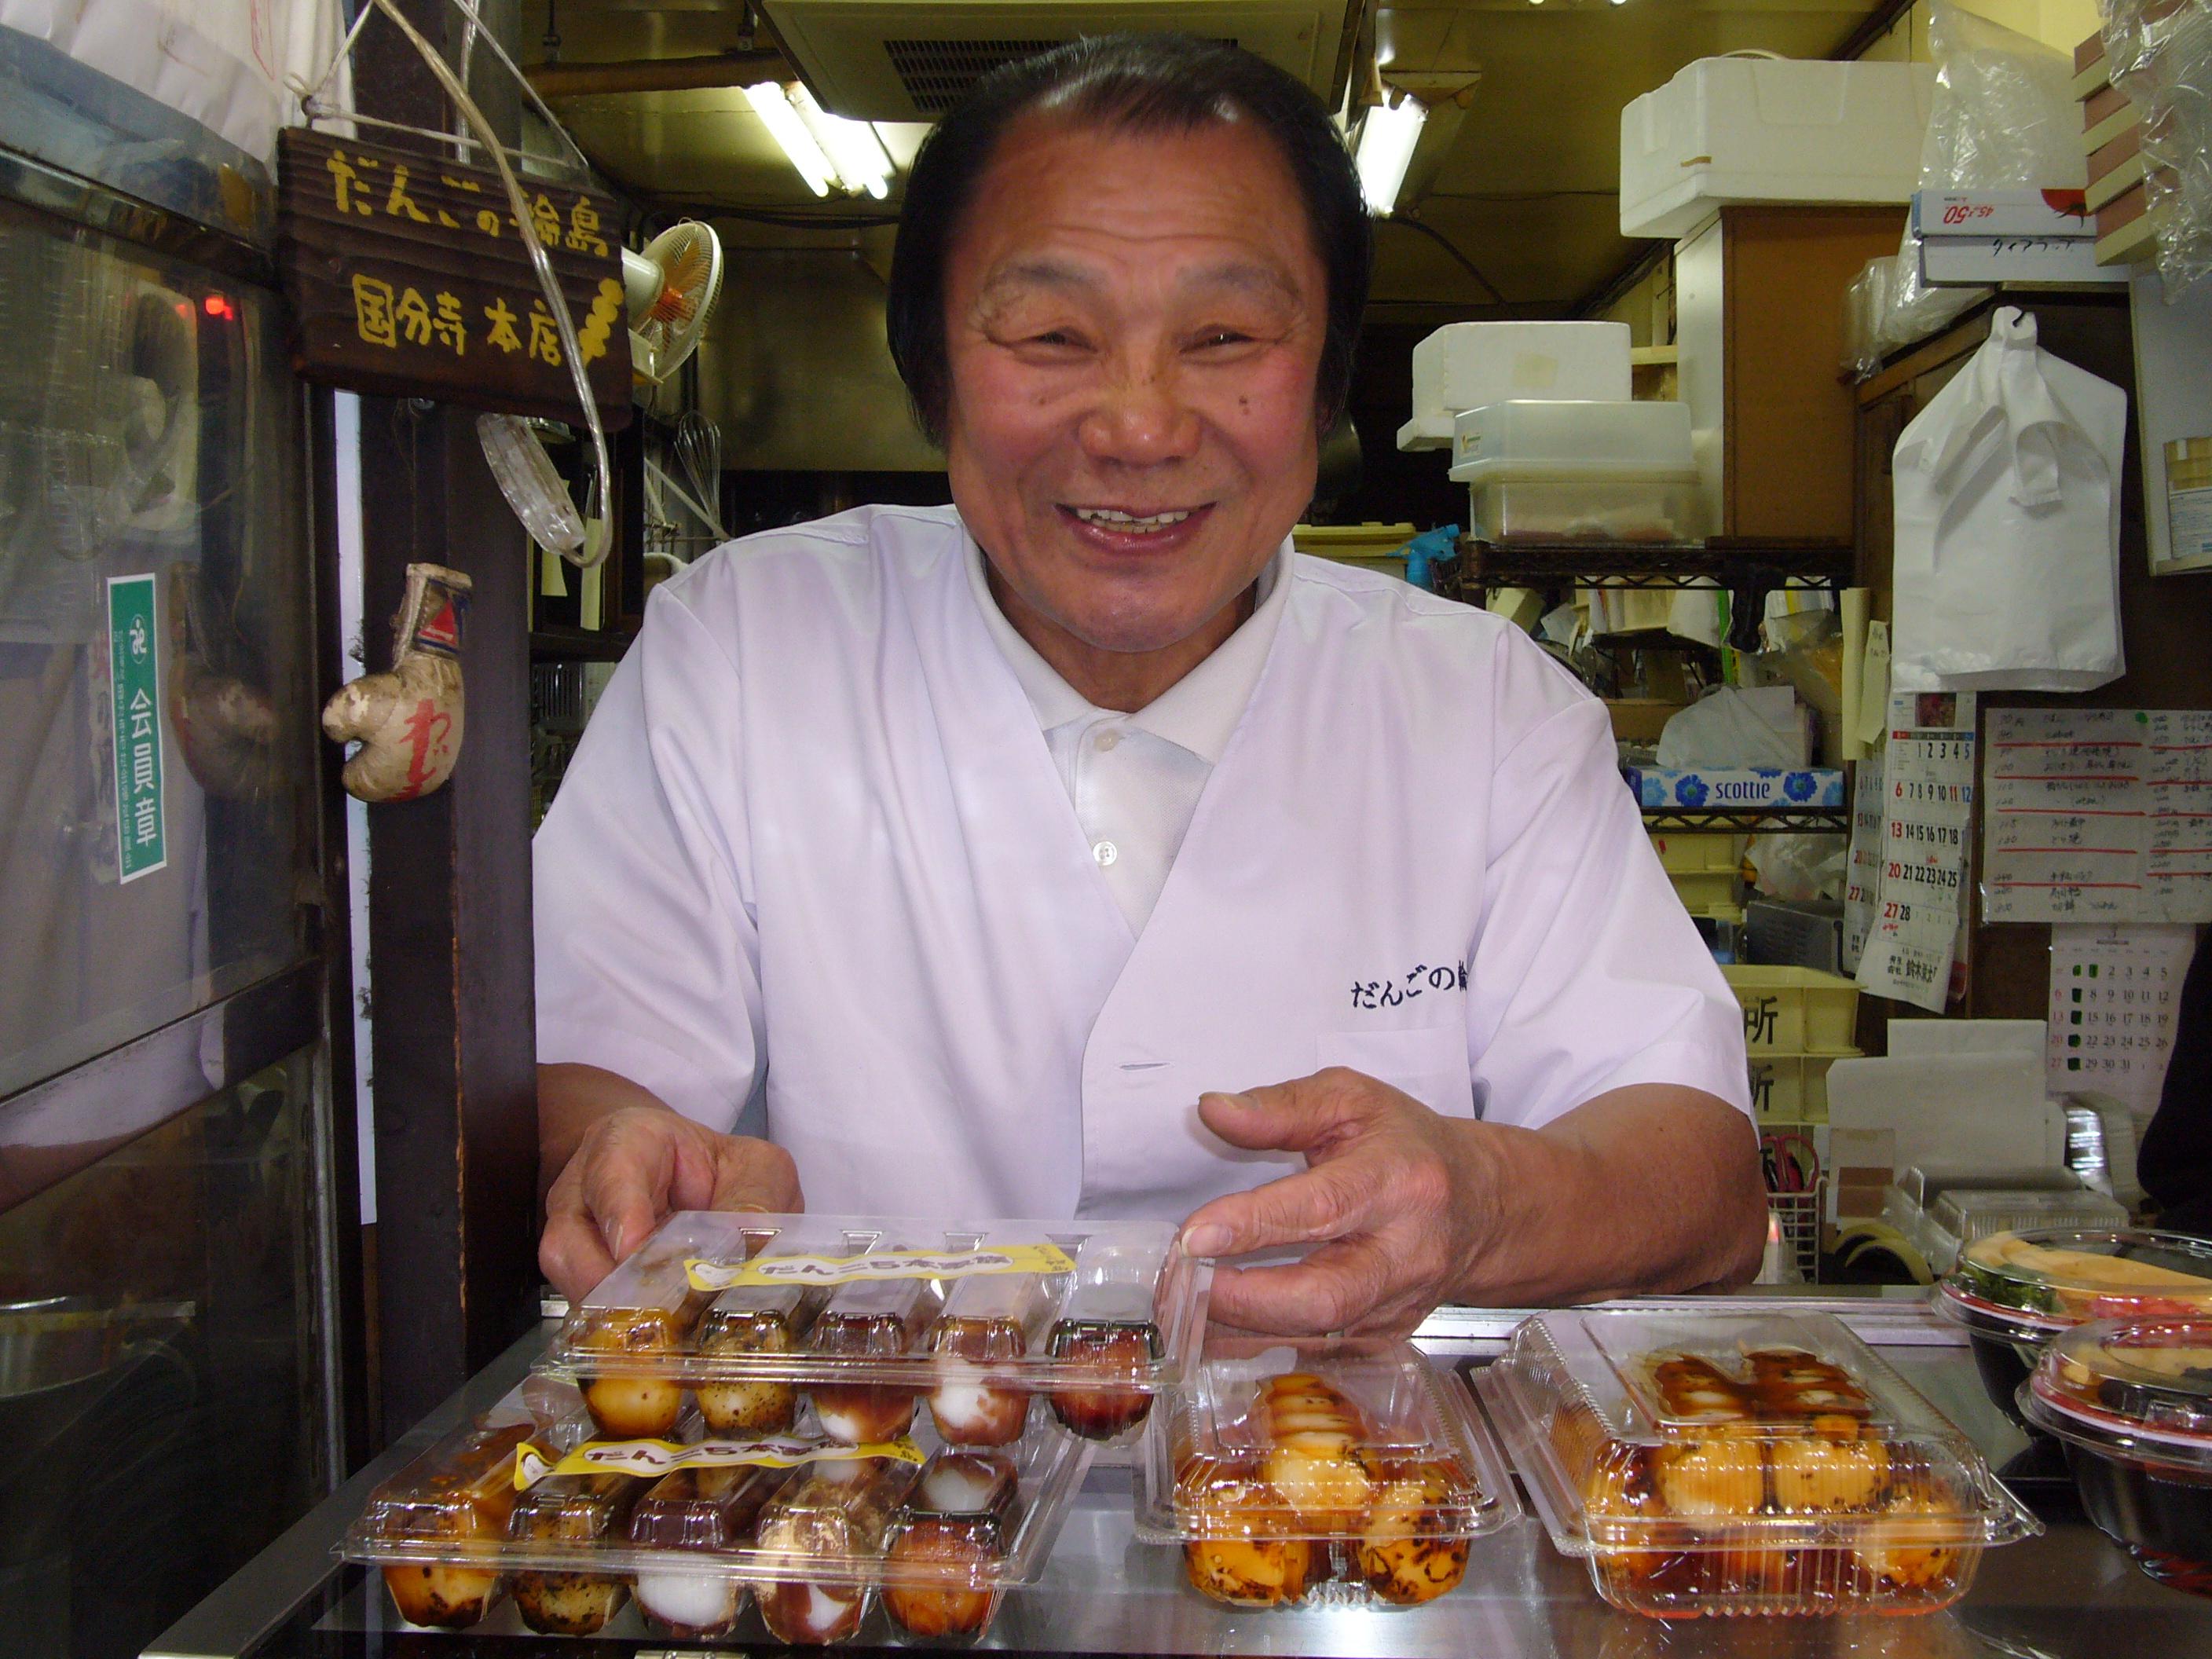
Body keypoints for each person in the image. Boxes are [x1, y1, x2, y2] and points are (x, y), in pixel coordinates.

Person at [533, 35, 1767, 1332]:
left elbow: (1701, 1180)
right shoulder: (745, 647)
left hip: (1353, 1502)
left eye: (1225, 334)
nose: (1138, 427)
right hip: (859, 1491)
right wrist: (634, 1162)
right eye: (1054, 333)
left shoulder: (1486, 710)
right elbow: (582, 1076)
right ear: (934, 370)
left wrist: (1480, 1198)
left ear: (1327, 381)